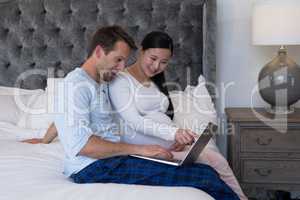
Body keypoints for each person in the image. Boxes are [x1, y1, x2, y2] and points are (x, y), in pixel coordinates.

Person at [23, 26, 240, 200]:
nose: (121, 68)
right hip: (94, 168)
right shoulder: (75, 85)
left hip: (112, 160)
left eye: (124, 61)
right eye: (118, 59)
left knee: (207, 173)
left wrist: (45, 138)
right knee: (204, 178)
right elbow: (83, 146)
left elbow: (67, 117)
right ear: (99, 52)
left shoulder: (99, 81)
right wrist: (142, 150)